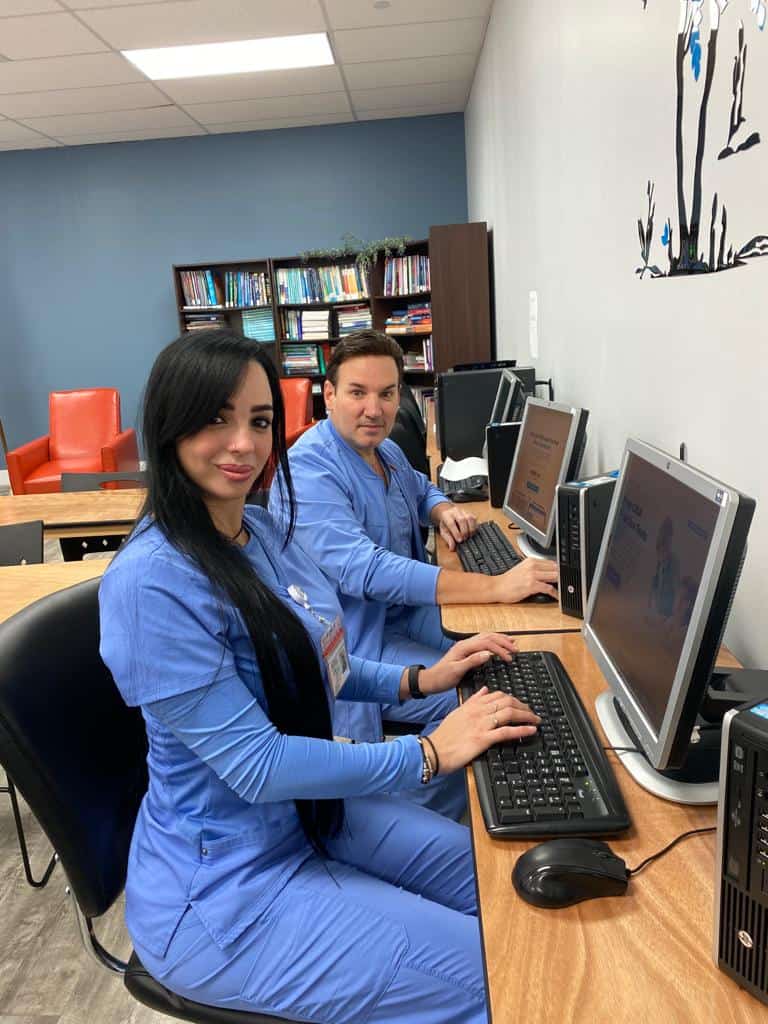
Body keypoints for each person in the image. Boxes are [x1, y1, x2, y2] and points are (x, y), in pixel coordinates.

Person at [98, 328, 541, 1024]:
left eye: (260, 420)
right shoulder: (151, 585)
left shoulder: (261, 533)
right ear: (165, 427)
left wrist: (421, 681)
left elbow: (323, 663)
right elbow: (257, 766)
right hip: (227, 889)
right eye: (216, 418)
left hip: (310, 819)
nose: (243, 444)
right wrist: (426, 752)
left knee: (515, 887)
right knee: (506, 979)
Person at [268, 331, 558, 817]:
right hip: (361, 643)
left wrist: (443, 509)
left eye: (386, 394)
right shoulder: (308, 470)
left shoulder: (384, 452)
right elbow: (368, 571)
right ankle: (408, 809)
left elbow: (419, 488)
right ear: (330, 395)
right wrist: (497, 584)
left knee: (509, 655)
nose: (374, 409)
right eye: (358, 393)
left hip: (405, 616)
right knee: (481, 703)